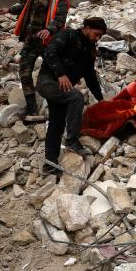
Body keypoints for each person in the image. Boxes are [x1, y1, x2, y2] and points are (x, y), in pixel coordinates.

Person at [0, 0, 68, 116]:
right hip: (31, 41)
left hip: (48, 43)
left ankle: (59, 106)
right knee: (24, 74)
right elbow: (26, 7)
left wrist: (49, 29)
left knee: (57, 74)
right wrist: (10, 9)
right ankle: (32, 109)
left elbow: (59, 19)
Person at [37, 17, 106, 165]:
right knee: (76, 97)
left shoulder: (88, 49)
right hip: (48, 81)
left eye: (100, 36)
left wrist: (100, 99)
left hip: (63, 89)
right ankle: (72, 140)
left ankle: (50, 163)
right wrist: (61, 74)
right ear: (87, 28)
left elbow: (90, 75)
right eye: (96, 34)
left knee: (57, 123)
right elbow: (50, 51)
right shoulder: (67, 35)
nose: (97, 38)